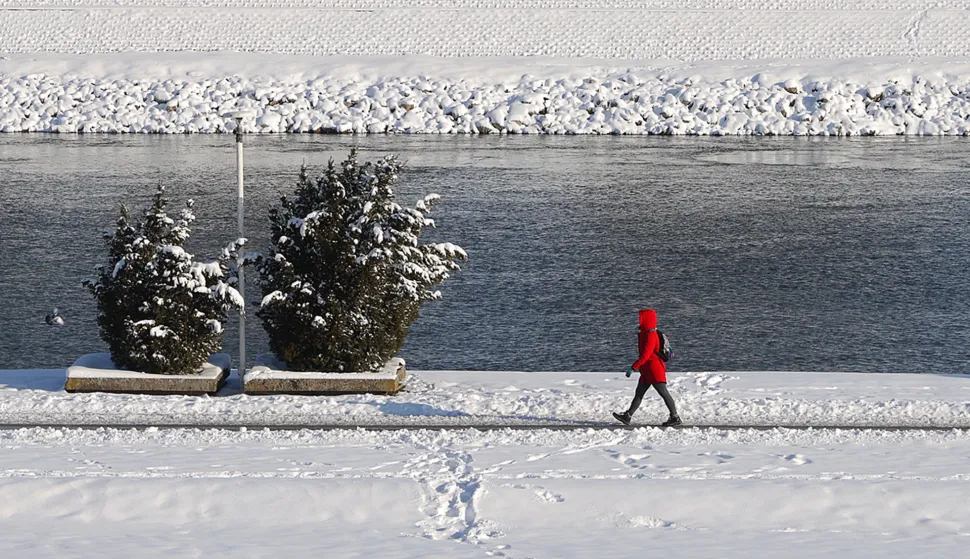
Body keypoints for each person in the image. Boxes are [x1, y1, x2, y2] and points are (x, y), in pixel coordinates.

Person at [613, 309, 681, 426]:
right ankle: (628, 416)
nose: (638, 321)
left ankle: (675, 417)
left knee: (663, 392)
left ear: (646, 319)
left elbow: (647, 354)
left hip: (654, 370)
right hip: (646, 370)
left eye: (641, 318)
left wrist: (634, 367)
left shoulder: (651, 335)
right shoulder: (645, 333)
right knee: (639, 393)